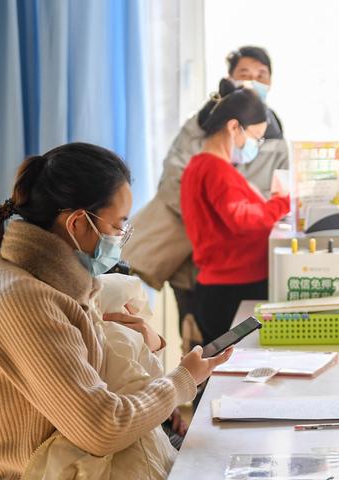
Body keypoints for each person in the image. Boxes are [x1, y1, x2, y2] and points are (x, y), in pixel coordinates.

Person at [0, 142, 232, 479]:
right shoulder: (23, 300)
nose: (121, 238)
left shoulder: (61, 285)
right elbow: (102, 427)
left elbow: (92, 378)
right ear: (78, 223)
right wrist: (182, 381)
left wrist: (146, 343)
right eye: (118, 226)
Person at [123, 46, 288, 345]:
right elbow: (238, 216)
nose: (253, 81)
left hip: (226, 273)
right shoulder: (211, 161)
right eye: (245, 74)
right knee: (213, 351)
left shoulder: (208, 162)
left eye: (261, 75)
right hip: (219, 276)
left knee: (218, 354)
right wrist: (276, 203)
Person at [180, 81, 290, 345]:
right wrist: (282, 203)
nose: (257, 145)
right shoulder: (216, 170)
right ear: (233, 127)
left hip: (224, 287)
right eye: (256, 137)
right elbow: (241, 219)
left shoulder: (201, 166)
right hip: (232, 290)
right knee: (237, 365)